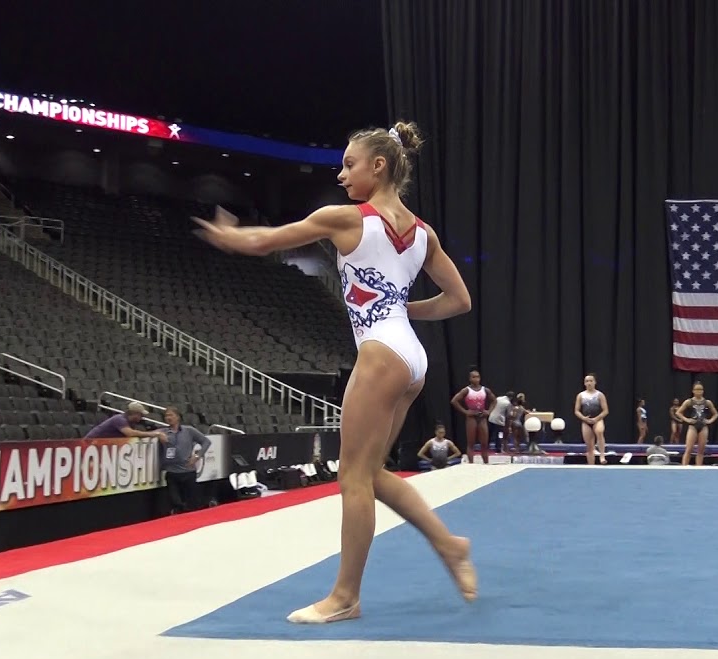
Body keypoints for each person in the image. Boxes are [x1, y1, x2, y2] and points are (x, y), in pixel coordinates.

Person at [194, 120, 477, 624]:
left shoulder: (346, 218)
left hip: (380, 353)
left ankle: (346, 596)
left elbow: (270, 240)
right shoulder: (424, 234)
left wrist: (232, 238)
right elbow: (459, 301)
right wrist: (403, 311)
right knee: (369, 473)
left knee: (351, 477)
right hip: (411, 356)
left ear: (379, 166)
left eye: (349, 164)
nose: (342, 174)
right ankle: (448, 544)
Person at [159, 407, 212, 514]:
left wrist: (197, 456)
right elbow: (146, 433)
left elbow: (206, 442)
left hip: (188, 471)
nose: (168, 418)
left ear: (178, 417)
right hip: (172, 473)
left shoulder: (189, 430)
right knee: (176, 502)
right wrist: (157, 434)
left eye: (171, 415)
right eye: (166, 415)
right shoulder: (163, 431)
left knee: (192, 503)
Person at [451, 368, 495, 463]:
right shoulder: (466, 390)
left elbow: (494, 401)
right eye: (474, 377)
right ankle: (471, 465)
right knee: (471, 444)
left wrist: (489, 411)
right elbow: (454, 401)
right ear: (470, 379)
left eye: (478, 377)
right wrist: (465, 411)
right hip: (471, 418)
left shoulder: (485, 390)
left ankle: (486, 463)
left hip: (482, 417)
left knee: (484, 444)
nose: (476, 379)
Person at [675, 382, 718, 466]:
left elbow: (716, 414)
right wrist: (687, 420)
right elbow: (678, 412)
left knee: (701, 450)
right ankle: (684, 468)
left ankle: (698, 468)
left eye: (700, 389)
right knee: (689, 449)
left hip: (703, 426)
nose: (699, 391)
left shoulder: (707, 402)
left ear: (703, 391)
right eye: (697, 389)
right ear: (693, 391)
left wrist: (710, 421)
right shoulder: (689, 401)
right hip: (693, 426)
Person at [85, 401, 167, 440]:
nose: (141, 418)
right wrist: (153, 434)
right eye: (140, 415)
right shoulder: (119, 419)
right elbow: (130, 433)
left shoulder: (130, 423)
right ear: (134, 413)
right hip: (89, 443)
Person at [574, 373, 609, 465]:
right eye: (587, 381)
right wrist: (583, 418)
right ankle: (591, 465)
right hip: (586, 422)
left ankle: (602, 455)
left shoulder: (599, 395)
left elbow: (605, 411)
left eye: (591, 381)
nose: (589, 383)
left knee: (599, 431)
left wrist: (597, 418)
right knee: (589, 447)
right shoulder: (581, 395)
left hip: (597, 419)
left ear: (595, 382)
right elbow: (576, 411)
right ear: (584, 383)